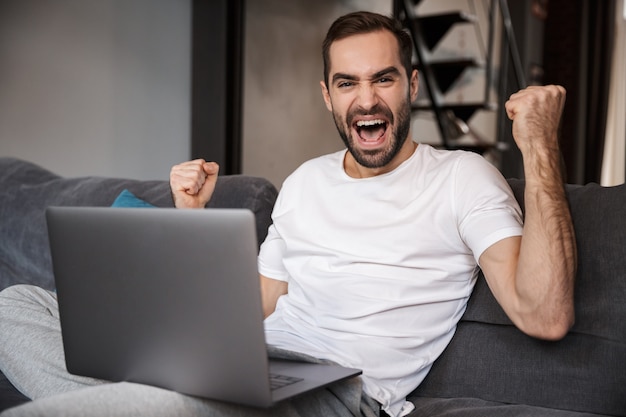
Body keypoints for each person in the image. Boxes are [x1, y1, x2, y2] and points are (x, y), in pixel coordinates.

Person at [0, 11, 575, 417]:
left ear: (413, 85)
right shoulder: (306, 181)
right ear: (327, 95)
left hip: (337, 395)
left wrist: (540, 146)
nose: (366, 99)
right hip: (254, 364)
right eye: (347, 83)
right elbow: (251, 304)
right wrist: (190, 219)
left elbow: (544, 314)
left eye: (384, 78)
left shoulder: (461, 177)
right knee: (14, 306)